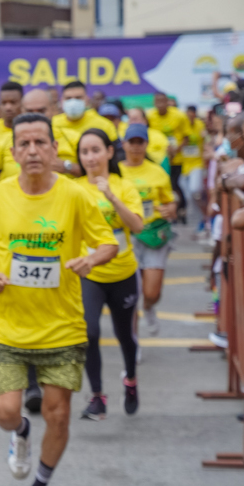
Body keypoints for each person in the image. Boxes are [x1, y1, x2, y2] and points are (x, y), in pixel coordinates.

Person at [0, 113, 118, 486]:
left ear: (54, 150)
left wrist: (91, 258)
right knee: (5, 411)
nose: (32, 151)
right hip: (7, 327)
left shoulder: (75, 195)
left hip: (62, 327)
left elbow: (109, 244)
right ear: (13, 152)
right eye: (24, 144)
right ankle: (20, 433)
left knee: (60, 414)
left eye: (40, 143)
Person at [74, 128, 145, 421]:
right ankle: (98, 397)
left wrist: (112, 197)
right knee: (89, 332)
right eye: (84, 152)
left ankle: (130, 380)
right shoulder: (73, 187)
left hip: (123, 273)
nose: (90, 157)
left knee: (124, 336)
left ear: (108, 152)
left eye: (95, 150)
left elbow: (138, 226)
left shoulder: (124, 186)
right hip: (90, 274)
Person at [120, 123, 177, 337]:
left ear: (146, 144)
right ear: (124, 144)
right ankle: (133, 348)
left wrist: (169, 209)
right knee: (131, 295)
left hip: (153, 234)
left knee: (151, 292)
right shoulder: (115, 171)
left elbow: (170, 203)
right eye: (131, 142)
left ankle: (150, 308)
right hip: (127, 236)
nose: (135, 147)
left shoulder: (157, 173)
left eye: (139, 142)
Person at [0, 89, 51, 191]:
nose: (36, 116)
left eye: (41, 111)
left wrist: (68, 166)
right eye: (29, 111)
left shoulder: (71, 138)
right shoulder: (6, 141)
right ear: (21, 111)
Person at [52, 81, 118, 177]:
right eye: (68, 98)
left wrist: (69, 167)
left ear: (87, 100)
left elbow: (114, 160)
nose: (73, 102)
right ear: (62, 101)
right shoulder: (52, 123)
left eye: (78, 98)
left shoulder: (104, 125)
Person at [147, 92, 190, 217]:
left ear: (167, 102)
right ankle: (167, 210)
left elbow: (186, 138)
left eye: (163, 101)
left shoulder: (179, 116)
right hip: (158, 160)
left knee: (174, 184)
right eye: (157, 101)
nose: (160, 104)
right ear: (154, 103)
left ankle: (181, 208)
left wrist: (175, 151)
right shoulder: (150, 116)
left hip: (176, 159)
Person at [180, 105, 207, 227]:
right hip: (183, 164)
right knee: (187, 195)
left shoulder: (200, 125)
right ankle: (199, 219)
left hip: (197, 163)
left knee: (195, 190)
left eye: (192, 114)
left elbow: (205, 141)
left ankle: (203, 217)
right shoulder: (181, 125)